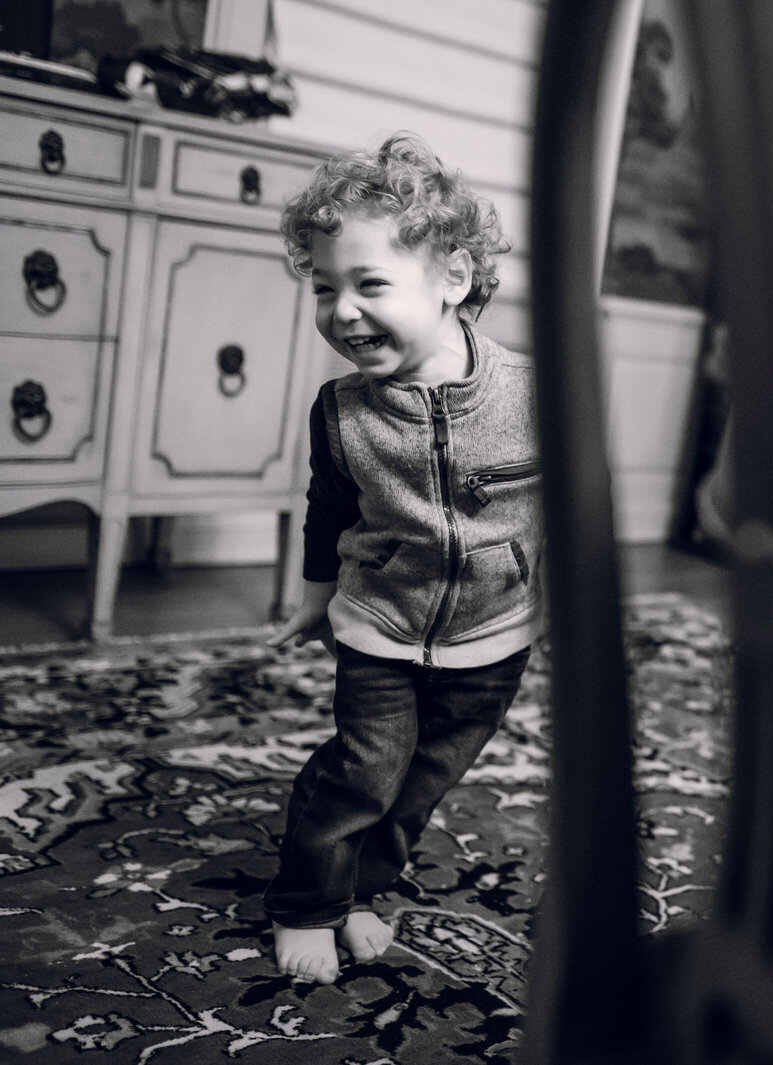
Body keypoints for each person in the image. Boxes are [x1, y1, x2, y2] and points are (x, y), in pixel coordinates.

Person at [263, 132, 541, 984]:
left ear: (453, 279)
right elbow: (329, 511)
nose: (342, 310)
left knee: (422, 779)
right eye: (324, 288)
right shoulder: (342, 411)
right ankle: (307, 901)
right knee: (365, 767)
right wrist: (316, 599)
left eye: (369, 284)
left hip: (494, 634)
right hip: (381, 623)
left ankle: (360, 889)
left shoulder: (533, 394)